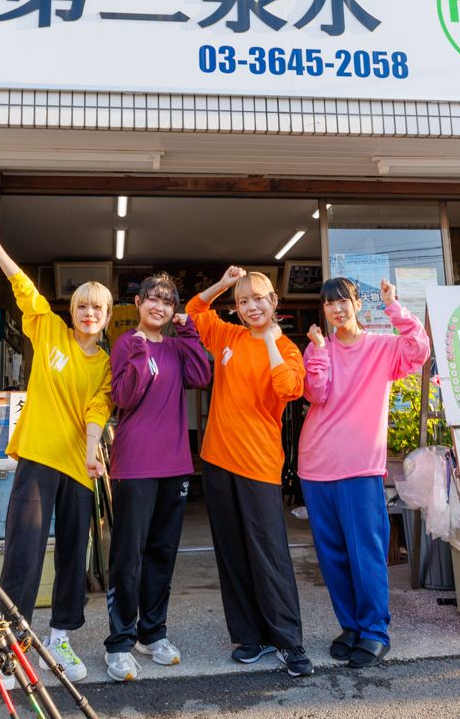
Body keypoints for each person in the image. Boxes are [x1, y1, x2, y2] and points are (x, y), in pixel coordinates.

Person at [0, 220, 113, 687]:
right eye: (82, 306)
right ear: (71, 311)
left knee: (73, 555)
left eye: (97, 307)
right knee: (24, 552)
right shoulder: (49, 330)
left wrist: (91, 452)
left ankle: (60, 639)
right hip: (36, 457)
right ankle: (8, 650)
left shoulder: (106, 365)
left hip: (79, 467)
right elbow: (25, 288)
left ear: (107, 316)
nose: (89, 313)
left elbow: (98, 409)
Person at [185, 266, 312, 677]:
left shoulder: (289, 350)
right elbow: (194, 309)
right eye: (243, 301)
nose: (251, 307)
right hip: (218, 460)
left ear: (273, 301)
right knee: (232, 552)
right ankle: (250, 637)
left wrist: (271, 339)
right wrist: (223, 284)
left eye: (258, 299)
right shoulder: (228, 336)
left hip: (258, 464)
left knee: (269, 553)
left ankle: (289, 641)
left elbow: (289, 389)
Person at [299, 277, 430, 668]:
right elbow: (316, 393)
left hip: (360, 466)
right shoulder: (318, 346)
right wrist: (319, 351)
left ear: (357, 304)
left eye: (343, 301)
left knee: (366, 552)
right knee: (332, 555)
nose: (337, 309)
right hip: (316, 463)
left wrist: (395, 307)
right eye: (329, 304)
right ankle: (351, 626)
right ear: (324, 310)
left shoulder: (381, 347)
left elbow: (419, 350)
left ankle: (375, 630)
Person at [103, 273, 212, 682]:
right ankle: (120, 642)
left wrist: (189, 332)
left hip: (175, 464)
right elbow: (124, 397)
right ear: (138, 302)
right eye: (153, 298)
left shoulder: (177, 346)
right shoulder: (125, 344)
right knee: (128, 555)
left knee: (162, 553)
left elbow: (201, 376)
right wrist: (138, 353)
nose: (160, 307)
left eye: (168, 302)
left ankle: (153, 633)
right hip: (134, 463)